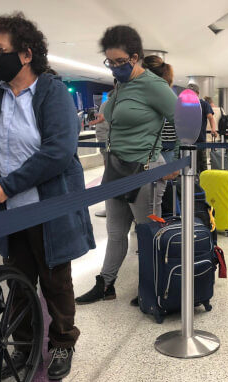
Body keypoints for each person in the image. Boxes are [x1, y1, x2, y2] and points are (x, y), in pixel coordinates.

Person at [0, 13, 95, 380]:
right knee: (17, 280)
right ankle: (24, 346)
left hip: (48, 205)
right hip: (7, 208)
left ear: (25, 53)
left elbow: (58, 151)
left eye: (0, 50)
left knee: (55, 281)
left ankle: (63, 343)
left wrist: (9, 184)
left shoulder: (52, 93)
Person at [75, 25, 177, 306]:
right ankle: (106, 284)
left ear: (135, 57)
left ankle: (154, 287)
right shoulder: (121, 85)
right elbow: (116, 111)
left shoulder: (155, 87)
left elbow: (184, 120)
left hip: (145, 169)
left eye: (120, 61)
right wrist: (103, 117)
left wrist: (177, 160)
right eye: (110, 62)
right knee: (116, 233)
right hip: (117, 168)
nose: (115, 67)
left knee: (147, 235)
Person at [141, 55, 179, 166]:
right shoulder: (143, 93)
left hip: (149, 159)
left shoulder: (161, 93)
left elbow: (184, 126)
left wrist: (176, 162)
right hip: (137, 160)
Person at [187, 83, 217, 172]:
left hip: (199, 140)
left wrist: (213, 129)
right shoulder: (185, 104)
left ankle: (202, 184)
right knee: (189, 166)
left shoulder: (204, 104)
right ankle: (191, 184)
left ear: (198, 93)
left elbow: (211, 118)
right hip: (187, 141)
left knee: (201, 166)